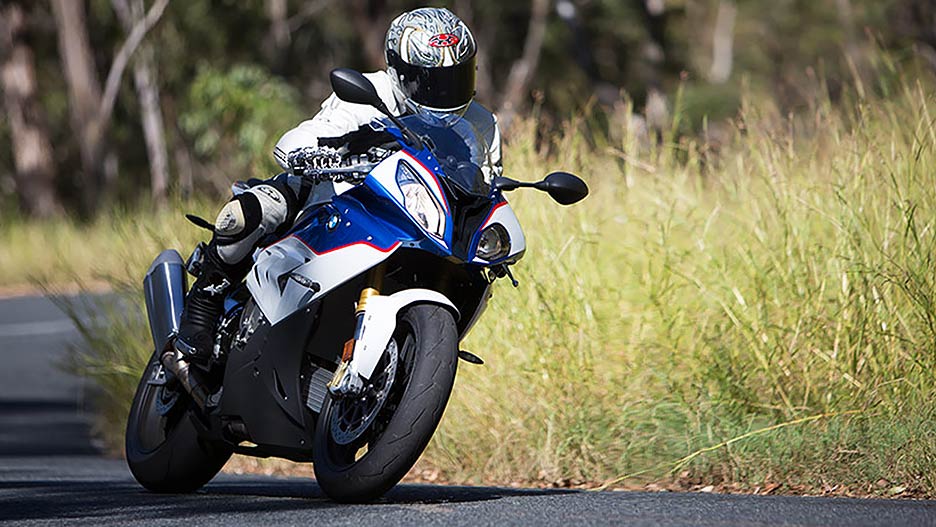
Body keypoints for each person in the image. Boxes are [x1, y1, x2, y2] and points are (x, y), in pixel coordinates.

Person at [173, 7, 503, 365]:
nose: (444, 93)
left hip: (420, 216)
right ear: (400, 73)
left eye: (454, 79)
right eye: (431, 82)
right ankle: (204, 301)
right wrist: (308, 151)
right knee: (249, 214)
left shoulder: (482, 123)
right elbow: (313, 132)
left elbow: (488, 177)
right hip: (338, 194)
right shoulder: (366, 92)